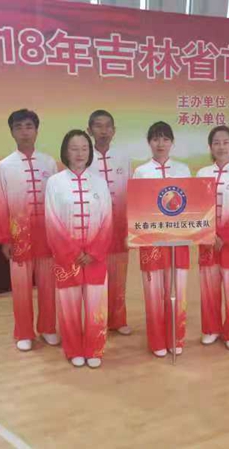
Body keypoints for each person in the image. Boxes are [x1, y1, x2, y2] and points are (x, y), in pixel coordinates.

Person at [0, 109, 59, 352]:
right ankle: (23, 331)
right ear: (12, 132)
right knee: (21, 289)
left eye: (29, 126)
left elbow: (58, 200)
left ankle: (48, 327)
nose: (24, 132)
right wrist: (4, 239)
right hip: (19, 236)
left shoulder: (49, 163)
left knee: (48, 286)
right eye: (18, 127)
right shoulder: (4, 166)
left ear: (37, 130)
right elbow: (0, 204)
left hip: (47, 236)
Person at [44, 130, 113, 368]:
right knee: (69, 306)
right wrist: (73, 252)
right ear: (65, 151)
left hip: (96, 257)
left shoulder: (100, 182)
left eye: (84, 148)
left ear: (90, 152)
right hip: (67, 258)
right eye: (74, 148)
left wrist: (93, 252)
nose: (80, 153)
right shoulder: (54, 183)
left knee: (96, 305)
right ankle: (73, 349)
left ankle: (94, 349)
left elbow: (107, 220)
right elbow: (52, 221)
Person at [132, 122, 191, 357]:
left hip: (178, 240)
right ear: (149, 142)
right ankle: (157, 341)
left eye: (165, 139)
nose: (160, 144)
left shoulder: (183, 170)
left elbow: (192, 205)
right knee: (154, 293)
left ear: (172, 142)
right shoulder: (141, 172)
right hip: (152, 242)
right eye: (156, 138)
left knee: (178, 291)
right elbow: (136, 208)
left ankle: (176, 338)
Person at [196, 126, 229, 350]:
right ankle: (210, 329)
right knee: (208, 288)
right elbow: (198, 209)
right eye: (216, 143)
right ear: (210, 146)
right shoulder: (202, 174)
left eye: (225, 142)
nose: (221, 147)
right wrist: (209, 234)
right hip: (207, 243)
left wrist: (223, 237)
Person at [87, 110, 132, 336]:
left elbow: (132, 193)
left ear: (114, 130)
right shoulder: (85, 157)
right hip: (94, 230)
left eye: (107, 126)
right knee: (96, 277)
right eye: (98, 126)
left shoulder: (123, 157)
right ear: (89, 130)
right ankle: (97, 320)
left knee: (119, 277)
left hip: (121, 228)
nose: (103, 131)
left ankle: (118, 319)